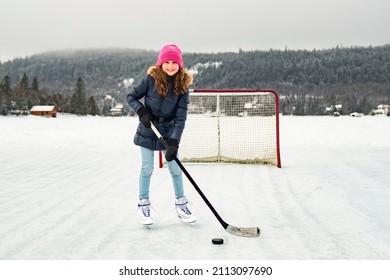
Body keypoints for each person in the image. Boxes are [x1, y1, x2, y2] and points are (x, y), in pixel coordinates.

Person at [126, 44, 195, 226]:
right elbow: (131, 97)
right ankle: (144, 204)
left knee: (175, 169)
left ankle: (181, 204)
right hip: (148, 129)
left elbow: (181, 117)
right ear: (160, 63)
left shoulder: (182, 86)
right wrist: (141, 111)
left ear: (180, 65)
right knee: (147, 168)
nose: (170, 66)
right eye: (167, 62)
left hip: (168, 131)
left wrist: (174, 141)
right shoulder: (150, 79)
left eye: (174, 62)